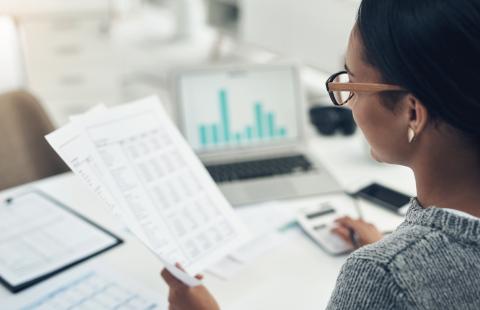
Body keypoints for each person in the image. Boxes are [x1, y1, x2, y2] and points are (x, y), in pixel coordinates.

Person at [161, 0, 480, 308]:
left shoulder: (383, 275)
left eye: (353, 83)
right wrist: (393, 252)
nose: (349, 100)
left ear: (412, 114)